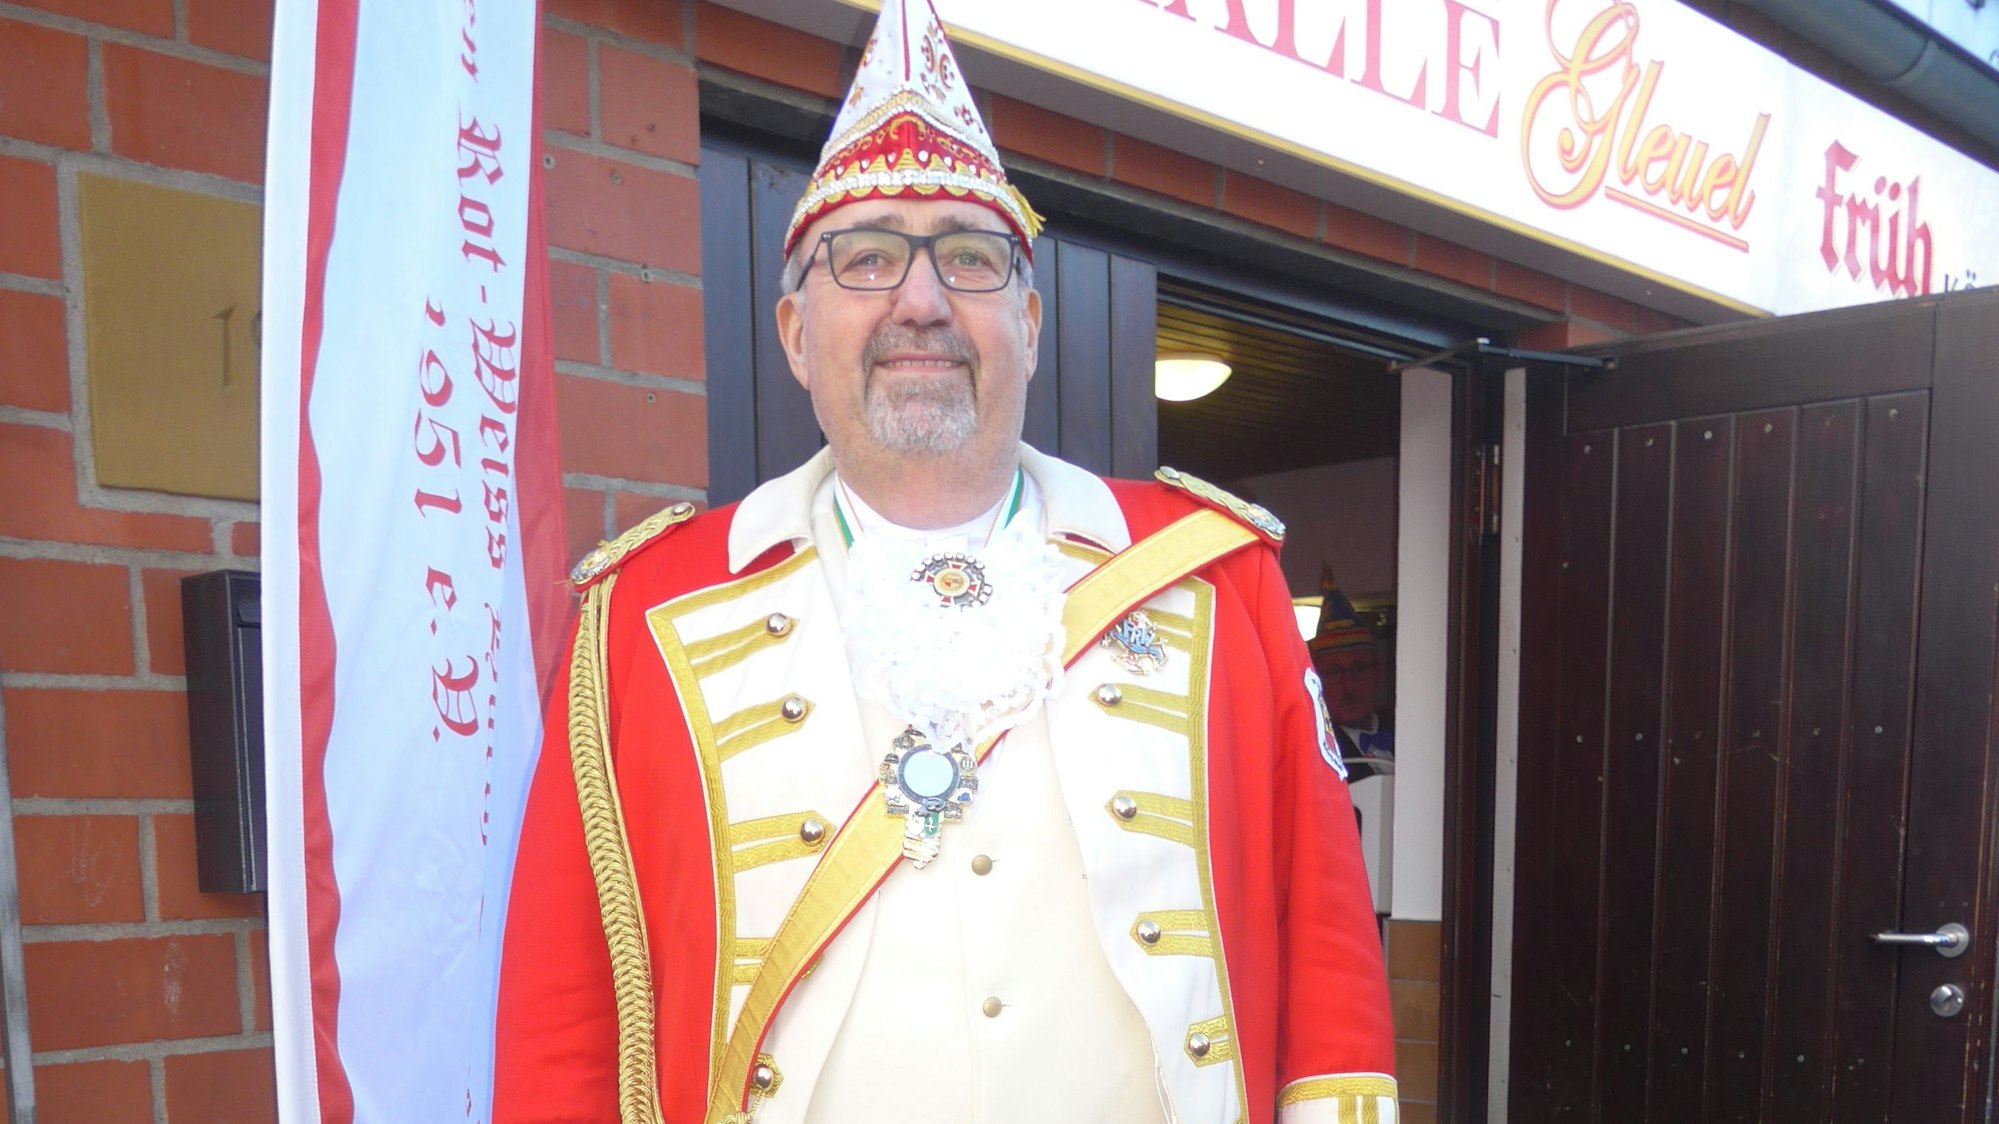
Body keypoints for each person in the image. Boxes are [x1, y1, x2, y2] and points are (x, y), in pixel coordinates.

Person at [493, 2, 1396, 1120]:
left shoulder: (1214, 579)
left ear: (1026, 319)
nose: (919, 301)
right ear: (791, 332)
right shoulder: (640, 615)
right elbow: (565, 1020)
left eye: (967, 259)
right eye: (865, 256)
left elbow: (1328, 965)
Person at [1309, 567, 1395, 781]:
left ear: (1378, 674)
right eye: (1334, 672)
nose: (1348, 685)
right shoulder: (1312, 747)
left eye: (1358, 669)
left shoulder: (1409, 732)